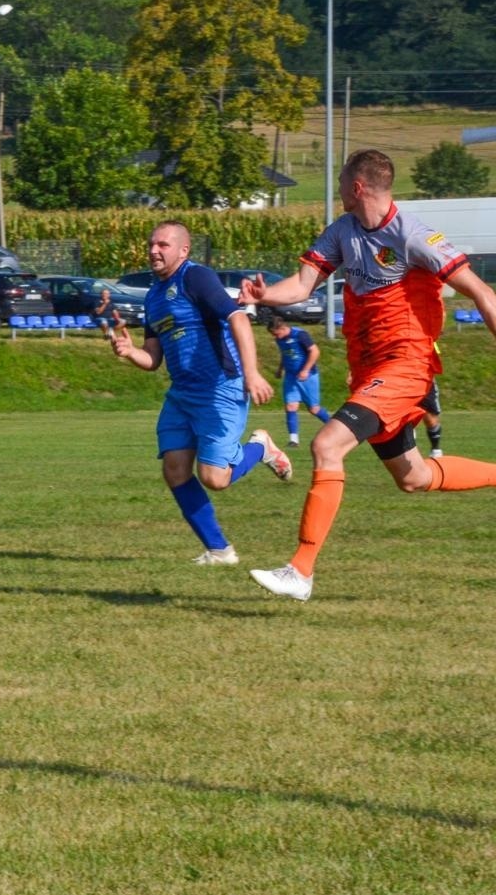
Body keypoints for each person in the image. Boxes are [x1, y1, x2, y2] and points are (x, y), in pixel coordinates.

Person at [240, 148, 496, 601]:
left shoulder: (414, 236)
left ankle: (299, 571)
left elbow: (479, 290)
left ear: (356, 188)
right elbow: (301, 285)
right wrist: (265, 295)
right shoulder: (342, 231)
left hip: (406, 366)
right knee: (413, 477)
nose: (336, 191)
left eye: (340, 183)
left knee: (326, 444)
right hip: (370, 372)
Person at [110, 221, 289, 566]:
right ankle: (220, 551)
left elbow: (237, 318)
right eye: (151, 244)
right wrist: (129, 352)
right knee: (175, 471)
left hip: (220, 386)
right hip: (183, 394)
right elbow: (153, 359)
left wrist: (252, 372)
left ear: (183, 250)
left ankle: (260, 447)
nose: (153, 250)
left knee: (215, 479)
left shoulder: (196, 277)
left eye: (162, 244)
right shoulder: (153, 297)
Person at [267, 315, 333, 446]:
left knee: (314, 409)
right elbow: (285, 354)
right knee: (290, 406)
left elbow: (315, 351)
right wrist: (280, 369)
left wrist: (306, 370)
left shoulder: (300, 335)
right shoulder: (280, 339)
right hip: (291, 376)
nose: (275, 336)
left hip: (308, 376)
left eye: (276, 333)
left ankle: (336, 429)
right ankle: (293, 440)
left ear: (282, 328)